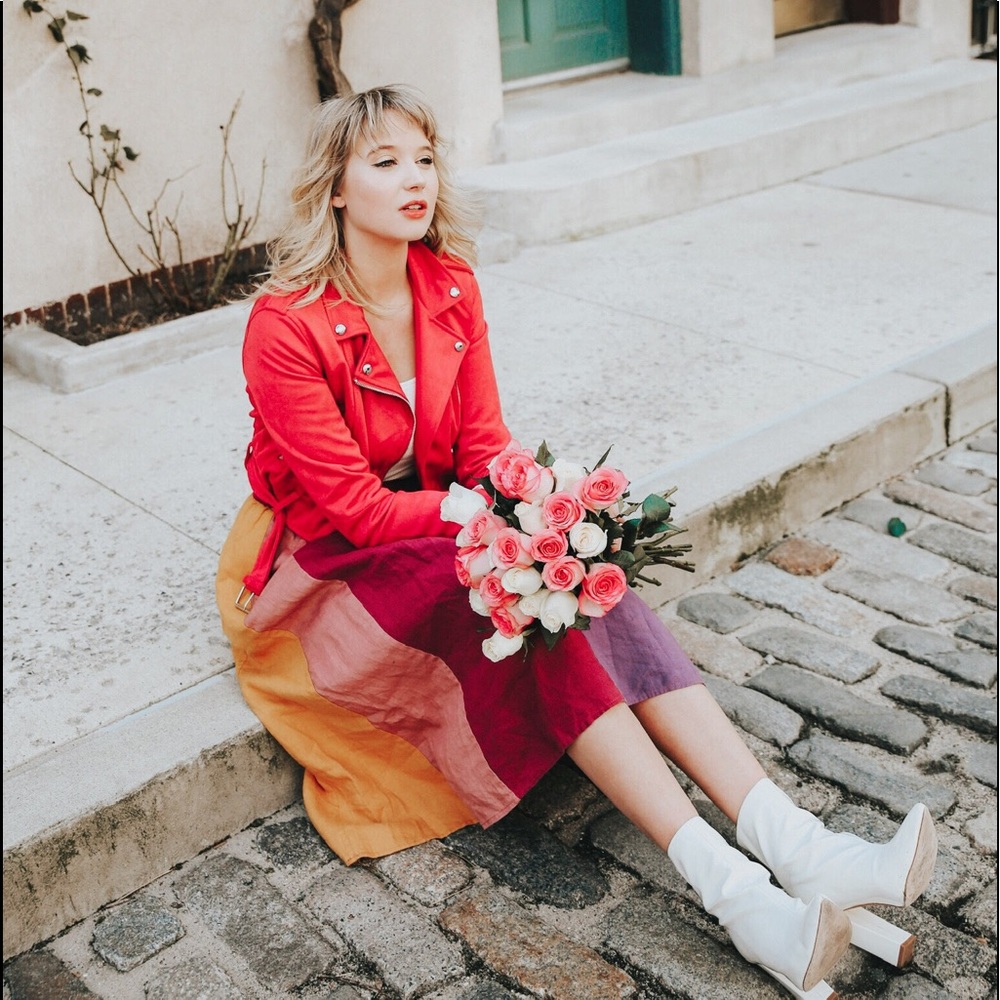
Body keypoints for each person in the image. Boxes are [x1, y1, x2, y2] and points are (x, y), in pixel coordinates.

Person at [215, 85, 937, 999]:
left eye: (425, 160)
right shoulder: (286, 324)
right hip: (330, 559)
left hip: (440, 514)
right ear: (334, 188)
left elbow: (482, 447)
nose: (414, 181)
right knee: (513, 596)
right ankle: (739, 896)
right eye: (385, 162)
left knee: (581, 582)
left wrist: (547, 509)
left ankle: (795, 846)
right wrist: (479, 524)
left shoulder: (449, 286)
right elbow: (356, 511)